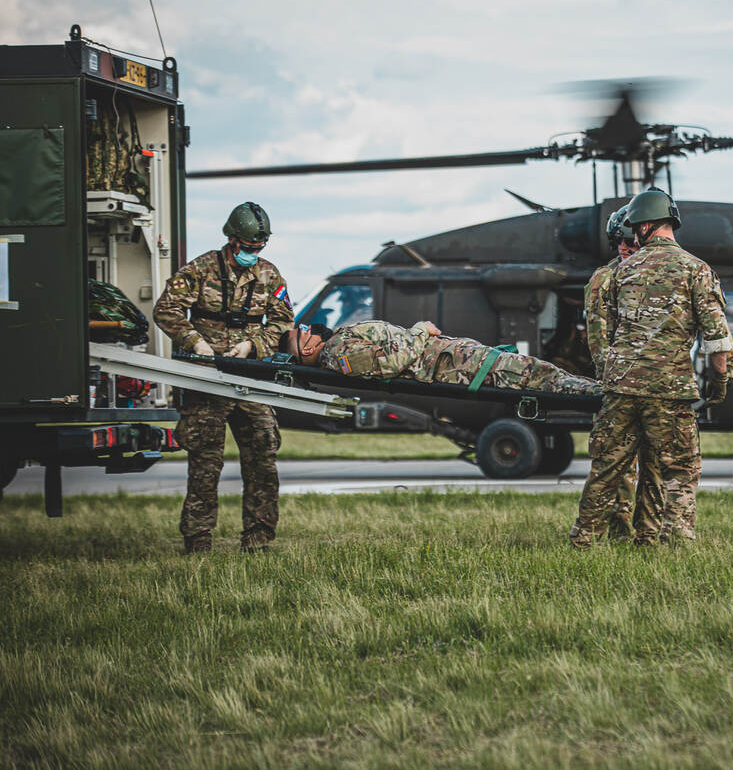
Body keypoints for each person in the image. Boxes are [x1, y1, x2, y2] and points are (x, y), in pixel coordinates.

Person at [570, 188, 733, 547]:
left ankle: (582, 542)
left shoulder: (620, 272)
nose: (631, 236)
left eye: (634, 228)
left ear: (646, 225)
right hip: (667, 388)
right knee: (679, 469)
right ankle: (672, 544)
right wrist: (719, 383)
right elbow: (717, 339)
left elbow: (608, 332)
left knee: (606, 469)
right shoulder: (697, 270)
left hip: (620, 387)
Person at [154, 202, 293, 554]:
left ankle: (259, 539)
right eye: (247, 247)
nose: (253, 253)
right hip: (208, 380)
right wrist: (194, 341)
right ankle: (198, 541)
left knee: (263, 457)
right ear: (231, 239)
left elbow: (282, 322)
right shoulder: (201, 269)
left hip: (250, 378)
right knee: (205, 463)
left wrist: (252, 344)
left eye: (258, 248)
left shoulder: (269, 274)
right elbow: (166, 309)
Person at [281, 320, 599, 395]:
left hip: (455, 357)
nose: (305, 328)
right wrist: (420, 329)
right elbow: (392, 362)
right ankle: (600, 394)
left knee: (537, 372)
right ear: (306, 349)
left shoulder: (341, 339)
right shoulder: (337, 354)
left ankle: (599, 390)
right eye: (300, 332)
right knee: (537, 375)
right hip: (453, 364)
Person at [584, 208, 656, 540]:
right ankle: (620, 531)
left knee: (657, 462)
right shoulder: (605, 279)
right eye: (620, 242)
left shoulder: (660, 274)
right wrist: (613, 382)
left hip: (657, 383)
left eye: (632, 241)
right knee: (618, 463)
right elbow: (599, 341)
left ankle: (650, 533)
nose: (626, 248)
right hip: (619, 384)